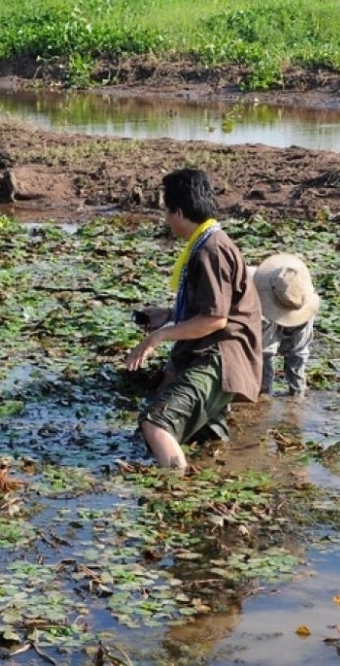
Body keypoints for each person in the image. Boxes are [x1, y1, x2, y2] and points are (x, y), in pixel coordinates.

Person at [125, 168, 262, 471]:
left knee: (155, 424)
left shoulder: (211, 251)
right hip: (216, 356)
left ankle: (175, 489)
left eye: (167, 211)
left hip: (219, 358)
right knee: (200, 437)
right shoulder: (209, 243)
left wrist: (158, 336)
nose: (166, 219)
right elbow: (212, 308)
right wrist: (170, 315)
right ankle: (211, 480)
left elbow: (215, 319)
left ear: (180, 211)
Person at [253, 253, 320, 398]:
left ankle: (296, 392)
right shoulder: (259, 291)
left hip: (293, 306)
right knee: (264, 354)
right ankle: (264, 392)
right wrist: (264, 395)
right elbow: (265, 352)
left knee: (297, 352)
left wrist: (297, 394)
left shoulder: (301, 294)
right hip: (265, 310)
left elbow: (299, 352)